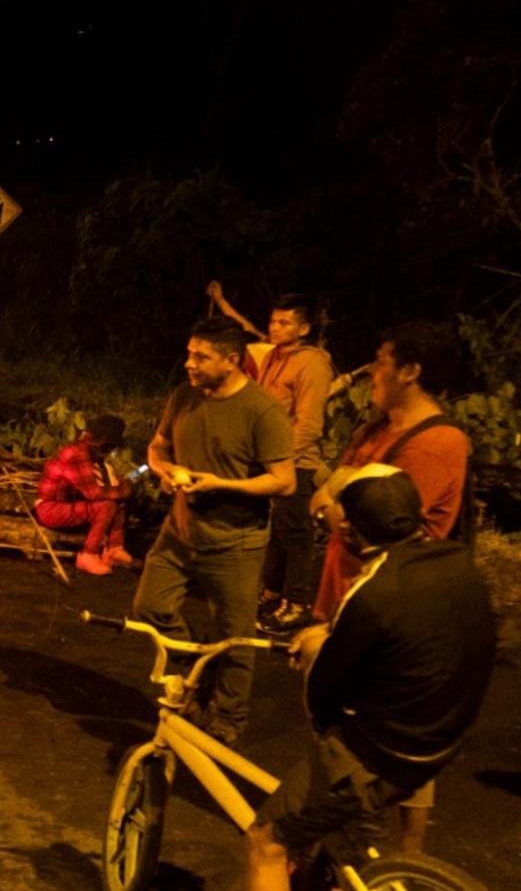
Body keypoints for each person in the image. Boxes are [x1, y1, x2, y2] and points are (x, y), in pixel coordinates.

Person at [181, 468, 495, 891]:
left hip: (379, 754)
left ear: (350, 526)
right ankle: (316, 881)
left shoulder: (372, 594)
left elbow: (325, 702)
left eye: (333, 517)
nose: (329, 523)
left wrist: (315, 648)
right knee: (323, 816)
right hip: (439, 740)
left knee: (266, 840)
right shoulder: (458, 563)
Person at [308, 321, 472, 854]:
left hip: (388, 614)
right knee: (335, 737)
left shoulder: (437, 442)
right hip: (344, 595)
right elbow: (334, 498)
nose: (371, 371)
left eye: (380, 360)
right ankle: (353, 851)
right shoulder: (374, 429)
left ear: (410, 370)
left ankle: (395, 865)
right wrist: (337, 502)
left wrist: (337, 502)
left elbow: (379, 523)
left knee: (382, 740)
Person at [129, 316, 295, 745]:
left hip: (235, 541)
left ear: (232, 361)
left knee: (235, 637)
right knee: (149, 608)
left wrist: (221, 484)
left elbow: (284, 480)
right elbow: (157, 446)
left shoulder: (262, 410)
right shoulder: (184, 396)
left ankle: (227, 718)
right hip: (180, 532)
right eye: (189, 353)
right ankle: (194, 674)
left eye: (201, 356)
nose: (190, 363)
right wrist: (165, 472)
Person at [203, 287, 335, 636]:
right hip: (271, 459)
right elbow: (243, 329)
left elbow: (309, 423)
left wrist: (280, 457)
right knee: (276, 532)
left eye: (284, 323)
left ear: (303, 329)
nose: (275, 328)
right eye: (273, 321)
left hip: (296, 461)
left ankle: (296, 605)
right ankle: (272, 594)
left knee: (296, 535)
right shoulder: (275, 356)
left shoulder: (312, 364)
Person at [33, 415, 137, 575]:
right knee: (107, 505)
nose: (109, 451)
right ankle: (88, 555)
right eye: (109, 447)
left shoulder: (91, 454)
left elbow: (101, 487)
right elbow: (93, 493)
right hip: (50, 508)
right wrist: (122, 490)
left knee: (117, 500)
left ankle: (114, 549)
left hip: (66, 504)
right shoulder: (77, 454)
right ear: (102, 443)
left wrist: (120, 489)